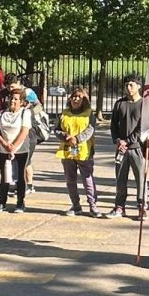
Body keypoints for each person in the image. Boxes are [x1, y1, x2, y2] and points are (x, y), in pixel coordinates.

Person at [57, 86, 99, 216]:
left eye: (79, 97)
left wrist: (77, 139)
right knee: (70, 179)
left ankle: (93, 205)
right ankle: (75, 205)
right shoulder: (64, 113)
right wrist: (65, 137)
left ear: (84, 100)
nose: (75, 99)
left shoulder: (89, 114)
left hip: (84, 151)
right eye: (74, 96)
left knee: (87, 178)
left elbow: (90, 130)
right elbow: (56, 129)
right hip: (67, 150)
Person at [0, 88, 33, 214]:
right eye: (11, 98)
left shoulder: (25, 113)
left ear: (22, 102)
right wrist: (5, 144)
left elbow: (24, 131)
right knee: (5, 176)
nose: (13, 101)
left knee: (20, 176)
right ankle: (1, 202)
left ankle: (20, 203)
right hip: (3, 150)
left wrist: (14, 146)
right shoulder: (1, 113)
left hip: (20, 151)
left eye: (16, 99)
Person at [109, 74, 145, 218]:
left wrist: (128, 141)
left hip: (137, 148)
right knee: (120, 179)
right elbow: (113, 125)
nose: (128, 88)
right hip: (121, 149)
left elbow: (143, 127)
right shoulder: (119, 103)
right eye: (126, 85)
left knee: (140, 179)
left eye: (132, 85)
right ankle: (119, 206)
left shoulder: (144, 104)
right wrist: (118, 140)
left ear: (138, 86)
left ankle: (142, 206)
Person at [5, 76, 40, 194]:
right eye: (8, 86)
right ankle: (18, 183)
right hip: (15, 131)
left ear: (18, 83)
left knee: (26, 160)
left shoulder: (28, 92)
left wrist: (28, 112)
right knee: (16, 160)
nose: (10, 89)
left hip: (29, 131)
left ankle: (28, 185)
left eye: (13, 86)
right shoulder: (10, 95)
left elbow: (39, 107)